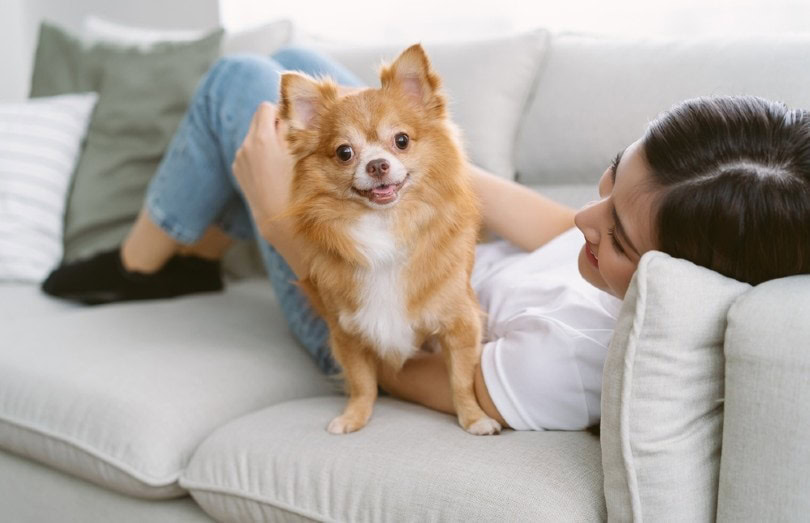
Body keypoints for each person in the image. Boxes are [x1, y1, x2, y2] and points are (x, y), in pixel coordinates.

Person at [42, 48, 810, 431]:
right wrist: (430, 165)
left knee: (239, 84)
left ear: (679, 278)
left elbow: (400, 361)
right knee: (313, 84)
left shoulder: (568, 368)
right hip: (421, 236)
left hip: (377, 315)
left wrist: (279, 216)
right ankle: (198, 251)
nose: (584, 215)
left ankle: (144, 263)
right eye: (608, 178)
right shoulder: (625, 257)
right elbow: (555, 235)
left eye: (613, 234)